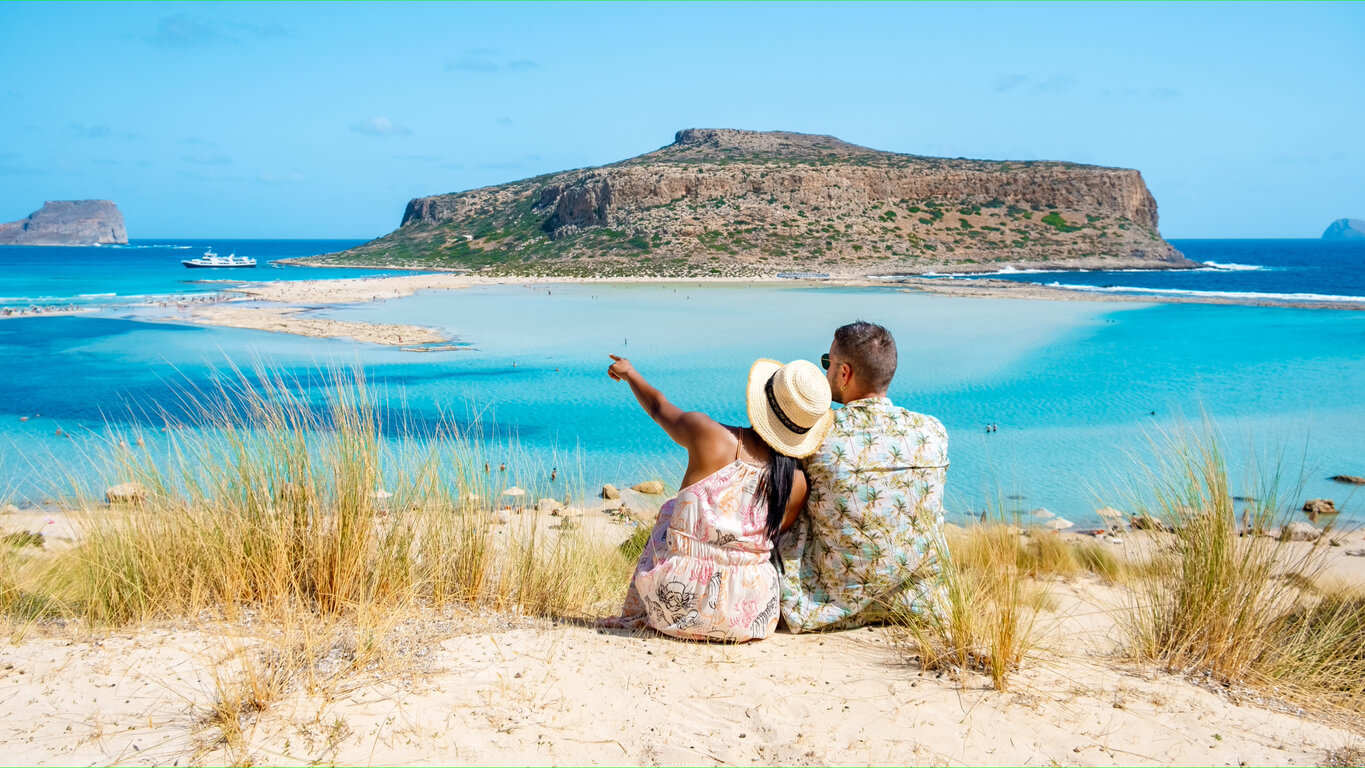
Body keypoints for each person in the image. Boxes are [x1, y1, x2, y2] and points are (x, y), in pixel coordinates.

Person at [600, 354, 833, 641]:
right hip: (752, 616)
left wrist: (630, 373)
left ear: (761, 398)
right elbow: (776, 534)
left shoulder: (708, 434)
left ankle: (637, 613)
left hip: (674, 605)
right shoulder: (796, 482)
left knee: (671, 510)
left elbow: (659, 407)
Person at [779, 321, 949, 632]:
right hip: (918, 604)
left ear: (844, 373)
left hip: (827, 603)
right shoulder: (933, 431)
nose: (825, 372)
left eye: (827, 363)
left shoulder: (819, 434)